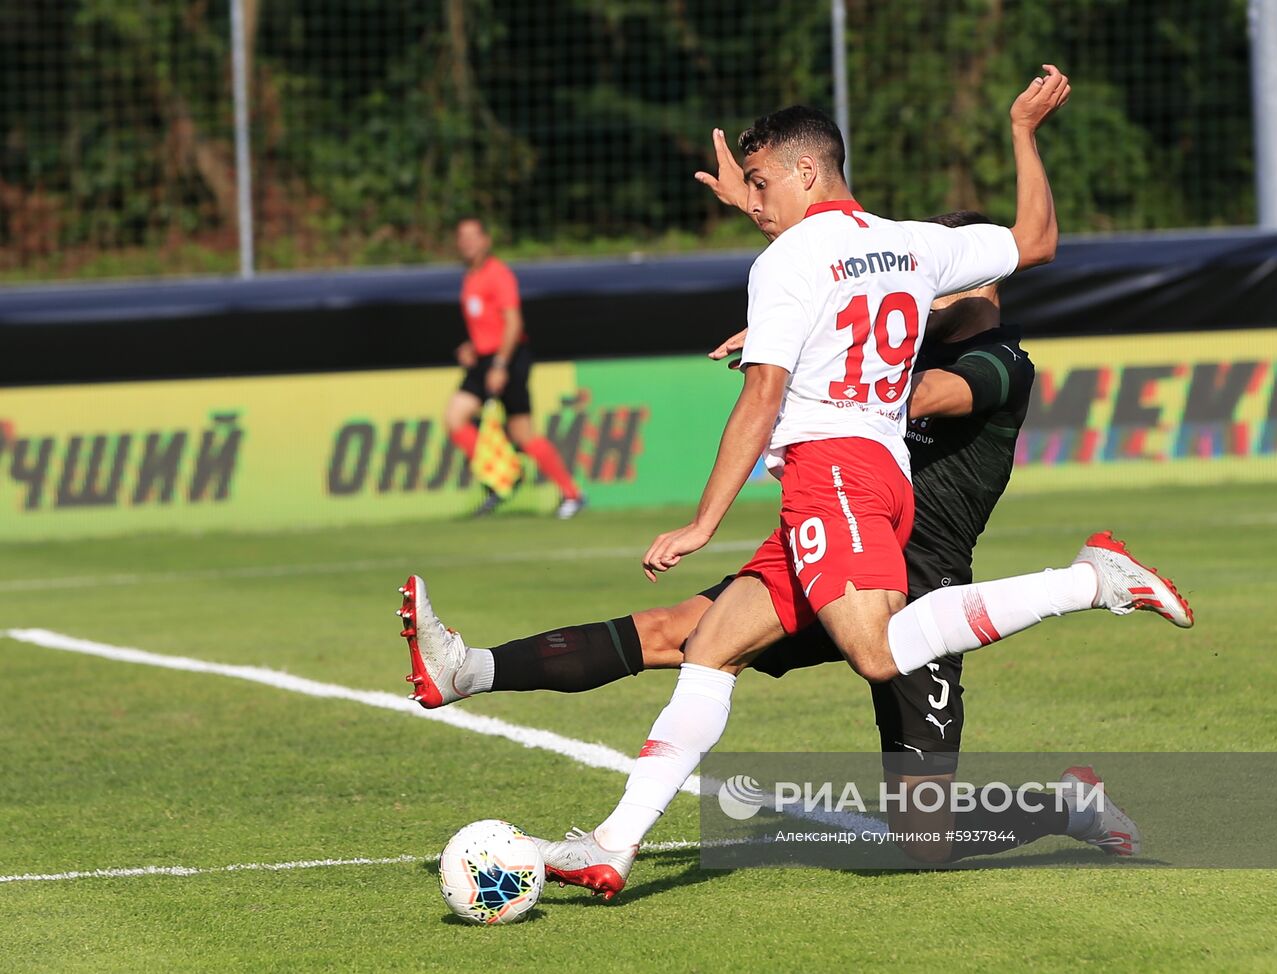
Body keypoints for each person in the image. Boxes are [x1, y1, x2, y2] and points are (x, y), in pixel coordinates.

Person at [403, 68, 1188, 897]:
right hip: (857, 500)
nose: (756, 195)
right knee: (698, 642)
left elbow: (778, 390)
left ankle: (1088, 582)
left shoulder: (986, 353)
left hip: (870, 518)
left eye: (765, 179)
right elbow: (1031, 242)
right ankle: (600, 830)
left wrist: (706, 517)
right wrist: (1022, 135)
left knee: (897, 725)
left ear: (807, 171)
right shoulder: (911, 245)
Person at [445, 217, 585, 519]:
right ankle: (502, 477)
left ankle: (572, 493)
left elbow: (513, 323)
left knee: (523, 435)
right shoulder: (470, 276)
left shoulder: (498, 274)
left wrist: (499, 364)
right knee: (454, 419)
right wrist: (473, 346)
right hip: (484, 360)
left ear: (486, 240)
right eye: (462, 237)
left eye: (473, 236)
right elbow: (487, 324)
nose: (467, 242)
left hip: (507, 360)